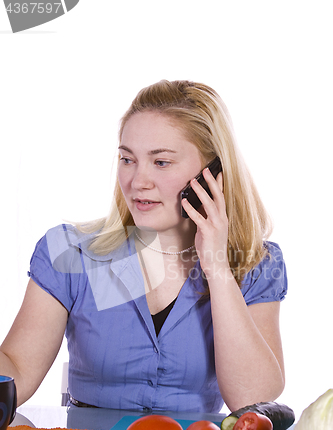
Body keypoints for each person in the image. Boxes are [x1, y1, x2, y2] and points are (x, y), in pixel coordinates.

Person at [0, 80, 287, 412]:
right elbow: (16, 374)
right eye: (127, 159)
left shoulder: (255, 264)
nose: (137, 182)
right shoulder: (69, 253)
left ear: (213, 174)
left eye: (160, 162)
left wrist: (217, 266)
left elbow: (253, 401)